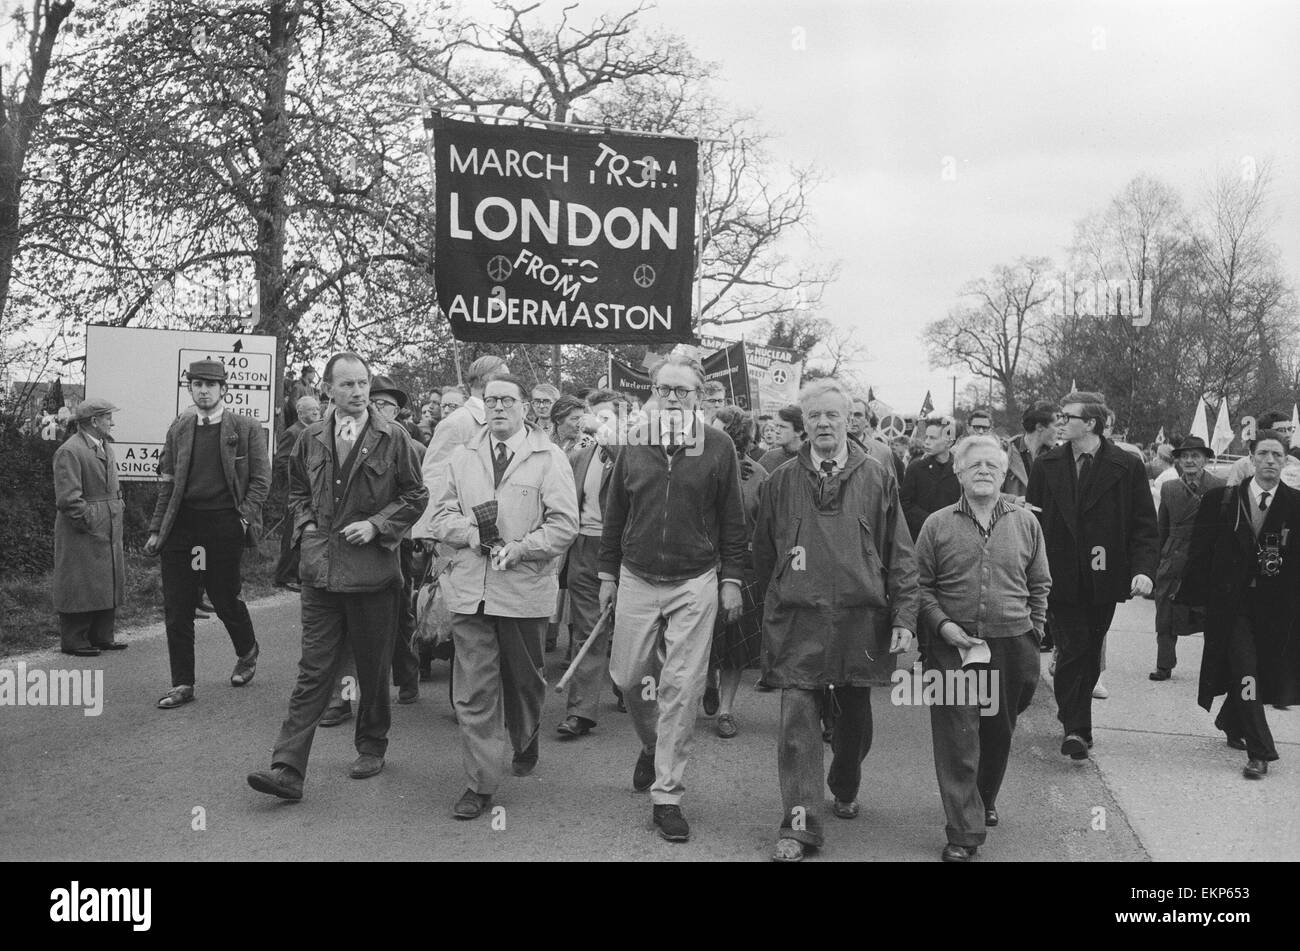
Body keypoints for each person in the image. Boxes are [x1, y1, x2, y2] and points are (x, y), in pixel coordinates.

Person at [246, 353, 427, 800]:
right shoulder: (310, 438)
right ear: (328, 390)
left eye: (362, 383)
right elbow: (297, 491)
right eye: (346, 384)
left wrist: (378, 524)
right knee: (313, 670)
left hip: (373, 578)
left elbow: (416, 494)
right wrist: (307, 524)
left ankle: (371, 745)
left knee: (372, 667)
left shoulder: (393, 437)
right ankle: (287, 767)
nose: (357, 391)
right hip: (320, 574)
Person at [753, 378, 918, 863]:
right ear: (804, 424)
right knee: (798, 722)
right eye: (814, 416)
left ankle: (844, 782)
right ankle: (800, 825)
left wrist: (904, 615)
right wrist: (782, 596)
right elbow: (764, 552)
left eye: (833, 415)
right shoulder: (780, 480)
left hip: (859, 619)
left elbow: (900, 552)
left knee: (853, 720)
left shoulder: (877, 476)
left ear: (849, 420)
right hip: (798, 619)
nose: (823, 423)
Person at [599, 354, 747, 843]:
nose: (673, 399)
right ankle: (651, 744)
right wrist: (606, 573)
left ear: (697, 397)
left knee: (681, 686)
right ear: (653, 392)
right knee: (627, 677)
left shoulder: (719, 446)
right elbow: (614, 513)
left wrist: (731, 580)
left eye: (683, 391)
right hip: (637, 575)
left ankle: (668, 794)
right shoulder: (632, 443)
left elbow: (732, 520)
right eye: (665, 389)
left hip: (695, 579)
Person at [430, 373, 578, 818]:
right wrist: (471, 534)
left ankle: (525, 734)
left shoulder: (548, 458)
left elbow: (564, 525)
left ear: (524, 408)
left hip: (523, 588)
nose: (497, 407)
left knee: (525, 679)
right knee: (474, 690)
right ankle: (480, 784)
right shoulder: (462, 456)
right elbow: (439, 515)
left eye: (507, 400)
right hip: (470, 589)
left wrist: (522, 548)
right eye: (491, 400)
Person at [914, 435, 1050, 862]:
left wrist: (1035, 634)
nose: (985, 472)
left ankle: (982, 798)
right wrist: (944, 626)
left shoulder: (1026, 522)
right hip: (952, 649)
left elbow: (1040, 584)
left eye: (993, 465)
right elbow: (920, 587)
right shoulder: (937, 524)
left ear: (1005, 471)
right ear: (959, 472)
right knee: (957, 737)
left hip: (1012, 645)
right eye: (975, 466)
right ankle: (963, 830)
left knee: (997, 732)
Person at [1026, 392, 1158, 760]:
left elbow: (1144, 524)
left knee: (1087, 649)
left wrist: (1144, 570)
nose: (1061, 422)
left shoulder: (1127, 466)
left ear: (1092, 424)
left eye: (1068, 417)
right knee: (1073, 646)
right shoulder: (1046, 463)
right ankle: (1077, 730)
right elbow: (1032, 522)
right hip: (1058, 575)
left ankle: (1072, 718)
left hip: (1105, 576)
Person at [146, 359, 270, 709]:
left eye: (210, 385)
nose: (203, 390)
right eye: (197, 384)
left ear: (223, 389)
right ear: (190, 388)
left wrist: (243, 519)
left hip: (223, 524)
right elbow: (167, 482)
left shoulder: (246, 427)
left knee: (223, 597)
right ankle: (182, 683)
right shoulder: (180, 428)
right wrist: (157, 528)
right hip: (183, 525)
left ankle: (247, 652)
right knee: (178, 604)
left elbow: (261, 481)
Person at [1181, 429, 1300, 779]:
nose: (1270, 462)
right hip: (1230, 606)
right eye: (1263, 454)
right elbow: (1199, 554)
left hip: (1274, 609)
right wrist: (1192, 601)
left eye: (1277, 456)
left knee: (1259, 670)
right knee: (1247, 668)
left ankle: (1230, 719)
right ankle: (1260, 750)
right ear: (1250, 457)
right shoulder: (1222, 499)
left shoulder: (1295, 505)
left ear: (1285, 461)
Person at [556, 389, 631, 738]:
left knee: (632, 628)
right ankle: (581, 711)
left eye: (606, 418)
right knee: (589, 628)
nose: (595, 424)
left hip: (627, 550)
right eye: (593, 416)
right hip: (585, 547)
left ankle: (631, 688)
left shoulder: (637, 453)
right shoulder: (580, 456)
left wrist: (604, 431)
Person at [707, 407, 768, 739]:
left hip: (744, 568)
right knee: (703, 639)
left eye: (716, 429)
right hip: (703, 565)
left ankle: (726, 710)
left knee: (734, 645)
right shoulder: (700, 466)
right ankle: (706, 682)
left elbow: (767, 526)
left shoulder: (758, 475)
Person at [52, 398, 127, 657]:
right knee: (80, 580)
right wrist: (89, 519)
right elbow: (68, 499)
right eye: (108, 417)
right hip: (84, 527)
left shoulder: (105, 446)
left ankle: (101, 636)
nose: (112, 422)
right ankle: (74, 640)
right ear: (94, 421)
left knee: (107, 579)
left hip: (107, 523)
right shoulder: (69, 451)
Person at [1151, 435, 1223, 681]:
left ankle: (1214, 669)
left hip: (1205, 559)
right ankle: (1164, 664)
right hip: (1173, 558)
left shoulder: (1219, 487)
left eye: (1195, 456)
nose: (1190, 461)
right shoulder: (1169, 488)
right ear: (1178, 461)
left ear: (1205, 459)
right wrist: (1156, 564)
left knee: (1210, 616)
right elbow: (1162, 527)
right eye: (1185, 456)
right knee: (1165, 613)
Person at [273, 395, 321, 591]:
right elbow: (282, 463)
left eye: (318, 410)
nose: (317, 413)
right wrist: (300, 479)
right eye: (312, 410)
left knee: (304, 533)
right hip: (295, 493)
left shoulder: (313, 432)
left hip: (309, 493)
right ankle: (285, 576)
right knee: (292, 533)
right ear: (300, 413)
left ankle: (299, 574)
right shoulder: (293, 433)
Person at [900, 416, 961, 541]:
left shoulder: (961, 469)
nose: (926, 441)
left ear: (949, 442)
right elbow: (905, 503)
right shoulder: (915, 468)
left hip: (952, 538)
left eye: (932, 438)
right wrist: (931, 522)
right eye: (926, 437)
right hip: (920, 537)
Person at [758, 405, 805, 474]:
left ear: (798, 431)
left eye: (782, 427)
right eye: (776, 426)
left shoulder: (814, 459)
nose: (777, 431)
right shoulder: (768, 458)